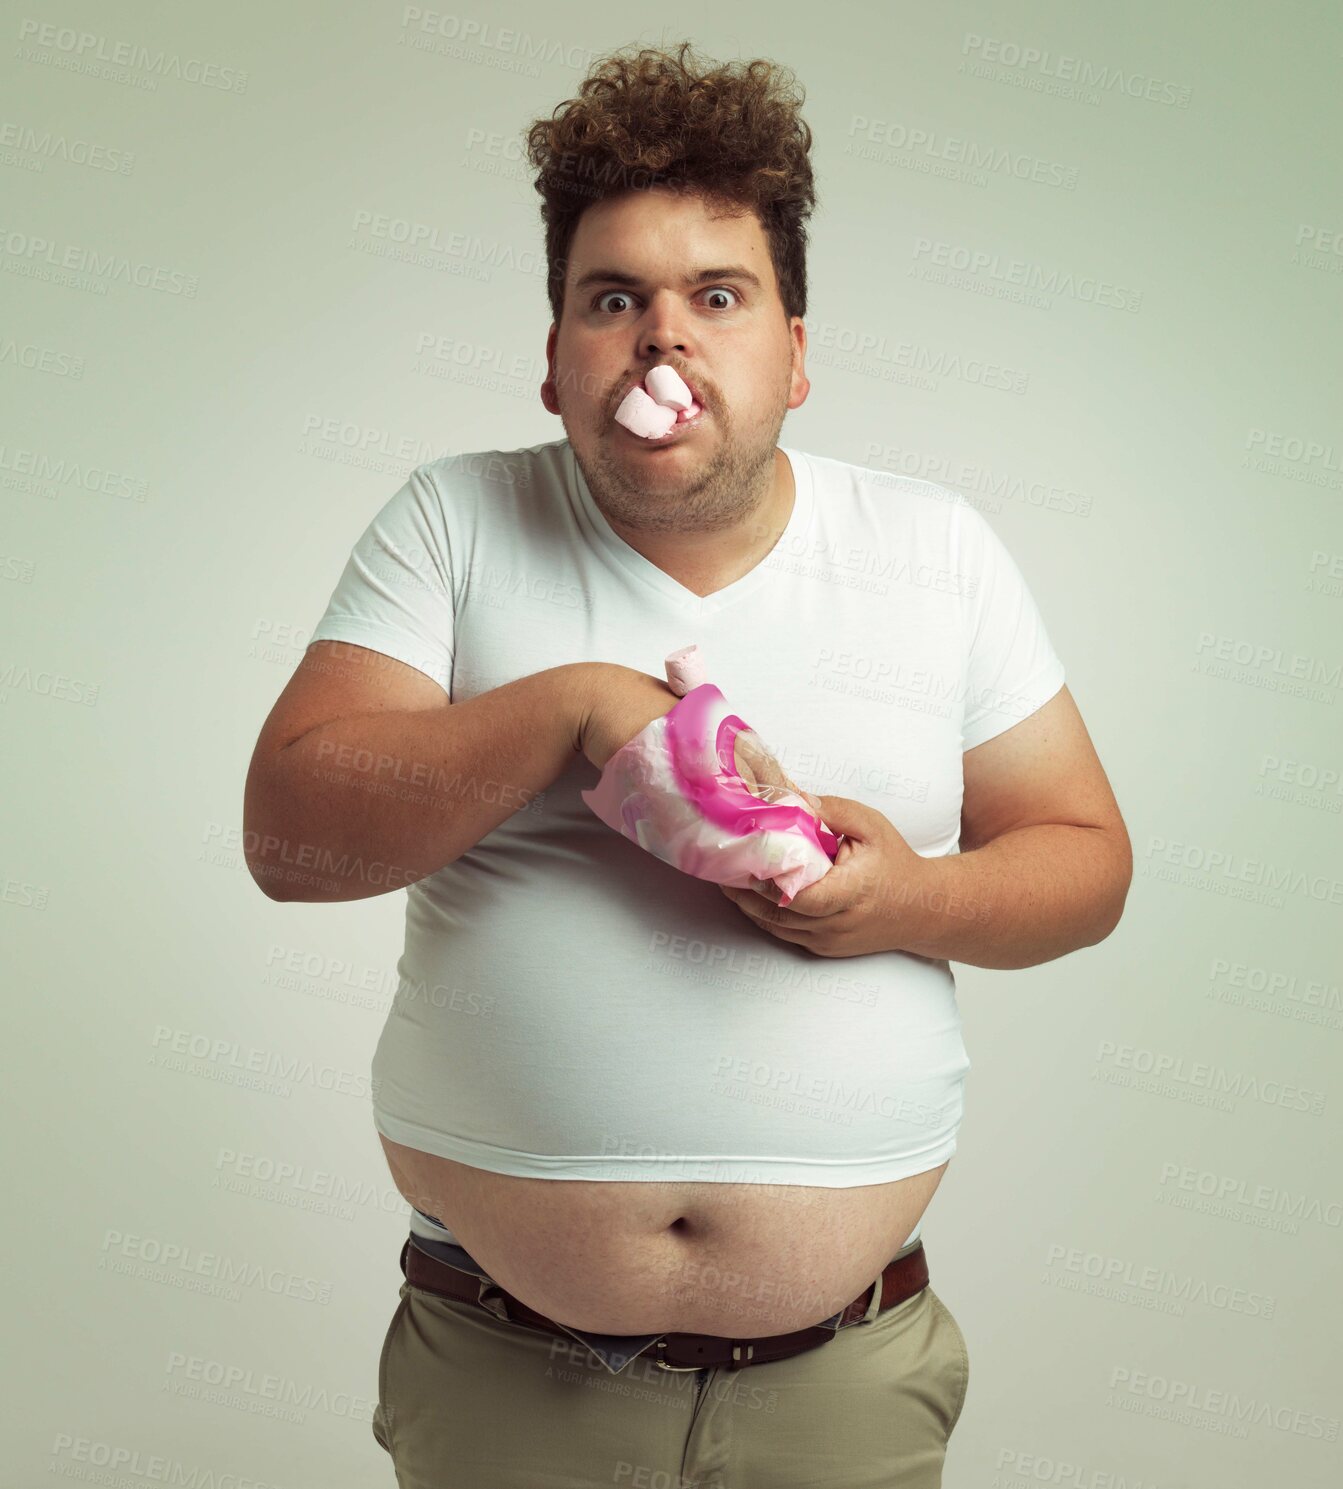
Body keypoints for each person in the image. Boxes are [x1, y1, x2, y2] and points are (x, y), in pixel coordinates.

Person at [243, 39, 1132, 1488]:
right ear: (552, 357)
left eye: (717, 296)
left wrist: (904, 899)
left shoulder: (935, 551)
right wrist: (575, 710)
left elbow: (1087, 862)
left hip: (845, 1380)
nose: (665, 342)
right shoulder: (451, 527)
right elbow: (291, 837)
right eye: (614, 300)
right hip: (505, 1380)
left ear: (793, 350)